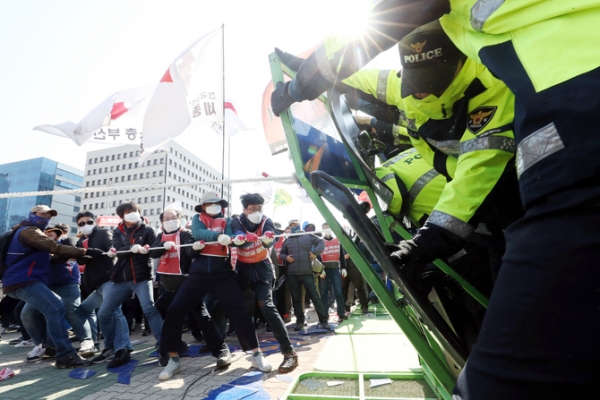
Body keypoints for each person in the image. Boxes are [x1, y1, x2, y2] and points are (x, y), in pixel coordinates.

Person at [158, 191, 271, 381]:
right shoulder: (196, 219)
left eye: (217, 203)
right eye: (209, 203)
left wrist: (236, 239)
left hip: (223, 273)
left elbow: (232, 235)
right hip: (198, 273)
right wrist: (217, 237)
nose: (214, 206)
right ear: (203, 206)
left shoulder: (228, 220)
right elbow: (198, 232)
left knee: (239, 311)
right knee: (175, 310)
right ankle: (173, 359)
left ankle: (256, 354)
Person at [2, 205, 103, 368]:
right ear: (32, 214)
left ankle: (52, 347)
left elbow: (49, 259)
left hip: (22, 281)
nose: (45, 218)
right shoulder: (29, 231)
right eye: (41, 214)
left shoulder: (26, 232)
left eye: (48, 216)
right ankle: (65, 355)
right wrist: (84, 252)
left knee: (39, 311)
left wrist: (68, 257)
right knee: (55, 308)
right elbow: (53, 247)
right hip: (23, 280)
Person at [149, 208, 231, 370]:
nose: (170, 220)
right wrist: (164, 246)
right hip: (168, 285)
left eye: (173, 217)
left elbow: (190, 253)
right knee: (162, 310)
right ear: (162, 221)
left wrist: (195, 247)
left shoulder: (186, 234)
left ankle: (220, 350)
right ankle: (175, 346)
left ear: (179, 219)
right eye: (166, 218)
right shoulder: (160, 236)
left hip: (186, 284)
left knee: (200, 316)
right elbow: (153, 252)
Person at [231, 193, 299, 373]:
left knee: (266, 306)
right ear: (244, 210)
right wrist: (241, 239)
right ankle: (254, 353)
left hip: (262, 269)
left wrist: (269, 237)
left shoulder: (266, 220)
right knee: (240, 308)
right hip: (243, 270)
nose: (256, 212)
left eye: (259, 208)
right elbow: (237, 235)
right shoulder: (238, 221)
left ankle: (289, 353)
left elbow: (271, 236)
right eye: (252, 209)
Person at [95, 201, 161, 368]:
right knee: (104, 313)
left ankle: (163, 343)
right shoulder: (117, 231)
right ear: (122, 216)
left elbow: (154, 251)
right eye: (128, 211)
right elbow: (120, 251)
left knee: (149, 308)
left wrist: (148, 249)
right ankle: (109, 347)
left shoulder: (148, 229)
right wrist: (133, 247)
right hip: (121, 278)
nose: (132, 213)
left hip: (141, 277)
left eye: (134, 210)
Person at [20, 226, 96, 360]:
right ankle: (41, 346)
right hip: (43, 286)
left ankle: (87, 341)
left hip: (68, 282)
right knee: (28, 314)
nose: (48, 234)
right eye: (45, 232)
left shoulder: (67, 241)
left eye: (51, 231)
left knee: (71, 310)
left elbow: (69, 252)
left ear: (58, 233)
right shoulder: (35, 249)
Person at [74, 211, 129, 363]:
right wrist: (89, 255)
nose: (85, 225)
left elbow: (113, 246)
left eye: (89, 221)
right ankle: (95, 343)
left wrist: (111, 251)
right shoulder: (80, 242)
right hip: (96, 286)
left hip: (110, 280)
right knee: (82, 310)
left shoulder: (104, 232)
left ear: (95, 222)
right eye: (81, 223)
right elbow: (80, 261)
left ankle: (123, 348)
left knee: (114, 313)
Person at [279, 220, 330, 331]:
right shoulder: (287, 241)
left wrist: (315, 252)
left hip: (307, 272)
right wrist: (286, 258)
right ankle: (300, 322)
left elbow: (321, 242)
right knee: (297, 299)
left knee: (315, 297)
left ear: (299, 225)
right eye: (291, 225)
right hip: (292, 274)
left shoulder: (308, 236)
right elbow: (282, 253)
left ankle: (324, 320)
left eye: (295, 225)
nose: (293, 227)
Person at [319, 223, 347, 323]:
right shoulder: (320, 242)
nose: (327, 229)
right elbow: (317, 257)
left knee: (338, 292)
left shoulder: (337, 241)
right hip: (324, 270)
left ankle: (341, 314)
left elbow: (342, 255)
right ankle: (324, 315)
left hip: (335, 269)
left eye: (328, 227)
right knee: (324, 293)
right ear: (322, 229)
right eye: (325, 228)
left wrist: (343, 267)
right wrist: (319, 270)